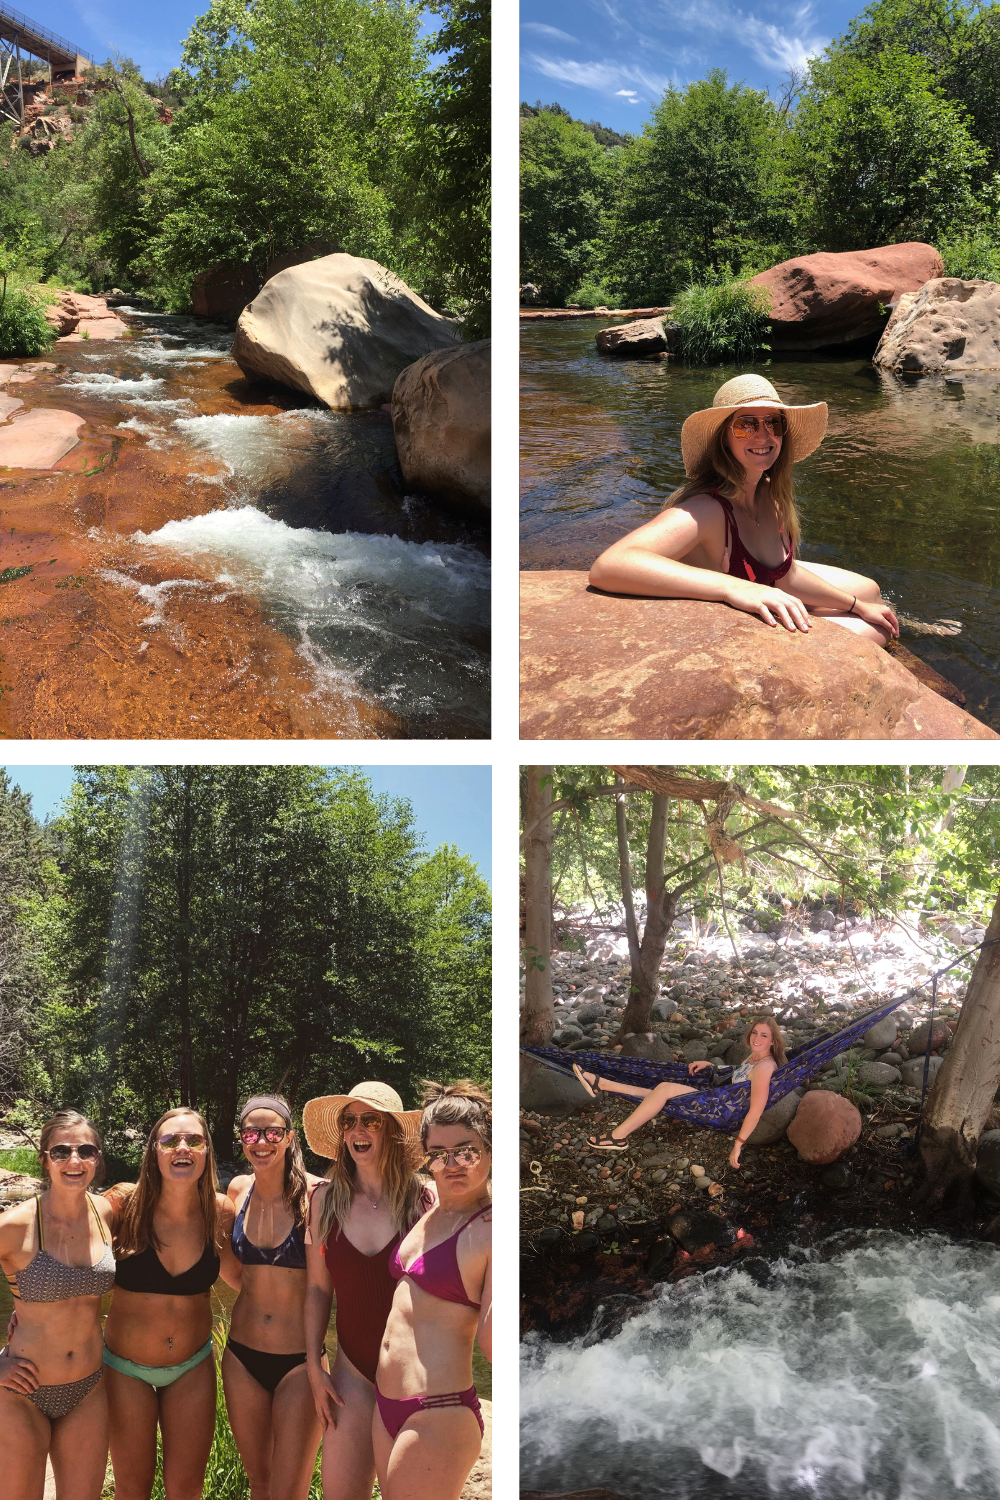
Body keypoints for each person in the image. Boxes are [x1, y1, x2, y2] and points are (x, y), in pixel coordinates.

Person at [589, 374, 899, 643]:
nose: (763, 435)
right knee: (876, 633)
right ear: (723, 438)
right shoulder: (708, 509)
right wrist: (731, 587)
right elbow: (609, 566)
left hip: (761, 587)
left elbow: (784, 577)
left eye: (772, 423)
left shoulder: (770, 496)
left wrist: (856, 604)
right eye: (746, 425)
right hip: (724, 623)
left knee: (869, 593)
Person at [303, 1082, 433, 1500]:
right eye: (349, 1120)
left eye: (370, 1120)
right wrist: (313, 1366)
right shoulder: (324, 1201)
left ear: (391, 1130)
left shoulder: (425, 1201)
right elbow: (318, 1290)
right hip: (351, 1376)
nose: (358, 1129)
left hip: (412, 1374)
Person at [102, 1107, 240, 1500]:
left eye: (194, 1140)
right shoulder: (122, 1204)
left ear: (207, 1152)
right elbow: (69, 1244)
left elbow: (245, 1280)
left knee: (187, 1489)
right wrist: (27, 1312)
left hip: (192, 1368)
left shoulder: (219, 1211)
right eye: (170, 1140)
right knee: (132, 1488)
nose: (183, 1148)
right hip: (125, 1369)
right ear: (154, 1151)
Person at [373, 1080, 492, 1500]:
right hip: (386, 1406)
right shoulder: (428, 1207)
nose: (452, 1163)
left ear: (490, 1151)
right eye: (439, 1155)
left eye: (466, 1150)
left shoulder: (491, 1230)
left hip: (439, 1412)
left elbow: (495, 1341)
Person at [0, 1110, 116, 1500]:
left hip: (88, 1388)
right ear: (44, 1159)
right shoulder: (14, 1226)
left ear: (97, 1158)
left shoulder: (105, 1213)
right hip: (22, 1393)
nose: (74, 1160)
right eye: (61, 1151)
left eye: (86, 1150)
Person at [223, 1094, 324, 1500]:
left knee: (290, 1491)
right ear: (242, 1138)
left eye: (272, 1132)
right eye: (251, 1132)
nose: (261, 1141)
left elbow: (326, 1284)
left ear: (289, 1137)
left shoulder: (317, 1195)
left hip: (299, 1362)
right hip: (241, 1356)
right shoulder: (237, 1189)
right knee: (259, 1484)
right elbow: (237, 1276)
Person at [576, 1016, 786, 1168]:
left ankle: (618, 1137)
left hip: (723, 1113)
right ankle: (602, 1084)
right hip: (718, 1099)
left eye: (764, 1035)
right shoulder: (753, 1058)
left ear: (773, 1040)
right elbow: (738, 1074)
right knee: (659, 1091)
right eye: (755, 1033)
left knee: (665, 1089)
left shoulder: (765, 1068)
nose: (757, 1038)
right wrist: (710, 1066)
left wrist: (738, 1144)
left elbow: (756, 1111)